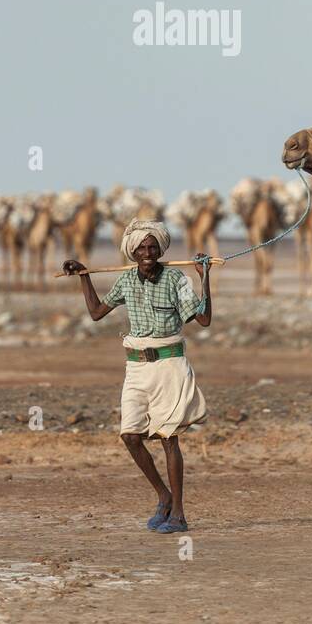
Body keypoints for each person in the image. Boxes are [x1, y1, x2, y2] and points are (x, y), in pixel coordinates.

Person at [62, 216, 211, 532]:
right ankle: (164, 496)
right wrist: (84, 275)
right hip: (137, 367)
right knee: (130, 436)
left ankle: (179, 515)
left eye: (152, 246)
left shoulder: (175, 280)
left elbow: (203, 319)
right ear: (133, 252)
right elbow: (96, 313)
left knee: (169, 439)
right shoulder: (127, 281)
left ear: (159, 249)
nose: (147, 252)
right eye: (141, 247)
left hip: (170, 365)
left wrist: (204, 277)